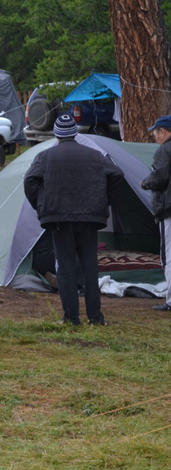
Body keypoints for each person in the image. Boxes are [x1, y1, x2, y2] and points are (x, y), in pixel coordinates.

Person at [23, 113, 124, 325]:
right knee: (90, 266)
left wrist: (41, 205)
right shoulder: (95, 155)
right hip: (89, 218)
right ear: (75, 133)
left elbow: (30, 181)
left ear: (57, 135)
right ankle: (95, 317)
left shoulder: (45, 156)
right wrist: (104, 200)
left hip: (58, 219)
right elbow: (117, 175)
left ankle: (71, 318)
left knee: (66, 267)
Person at [139, 115, 171, 312]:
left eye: (156, 133)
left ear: (164, 132)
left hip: (169, 210)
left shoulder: (165, 150)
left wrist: (145, 182)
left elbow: (159, 177)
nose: (155, 137)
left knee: (169, 255)